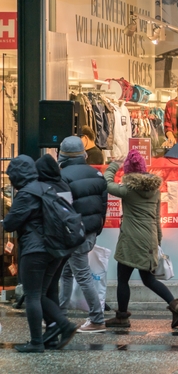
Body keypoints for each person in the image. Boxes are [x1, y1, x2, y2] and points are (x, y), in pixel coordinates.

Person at [104, 150, 178, 329]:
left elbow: (107, 183)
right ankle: (175, 305)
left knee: (123, 279)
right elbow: (157, 218)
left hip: (130, 240)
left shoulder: (128, 190)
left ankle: (122, 317)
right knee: (149, 279)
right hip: (149, 239)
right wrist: (157, 241)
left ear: (128, 171)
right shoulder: (155, 191)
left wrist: (114, 165)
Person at [3, 156, 79, 352]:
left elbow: (10, 224)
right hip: (54, 249)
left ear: (17, 176)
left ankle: (37, 341)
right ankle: (62, 325)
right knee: (40, 294)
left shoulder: (26, 194)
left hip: (35, 250)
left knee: (32, 296)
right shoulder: (46, 188)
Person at [56, 136, 109, 333]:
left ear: (63, 155)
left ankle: (97, 318)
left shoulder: (62, 177)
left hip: (72, 234)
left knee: (82, 274)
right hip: (90, 231)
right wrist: (97, 229)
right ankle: (60, 314)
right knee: (67, 271)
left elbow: (62, 210)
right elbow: (103, 206)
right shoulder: (97, 175)